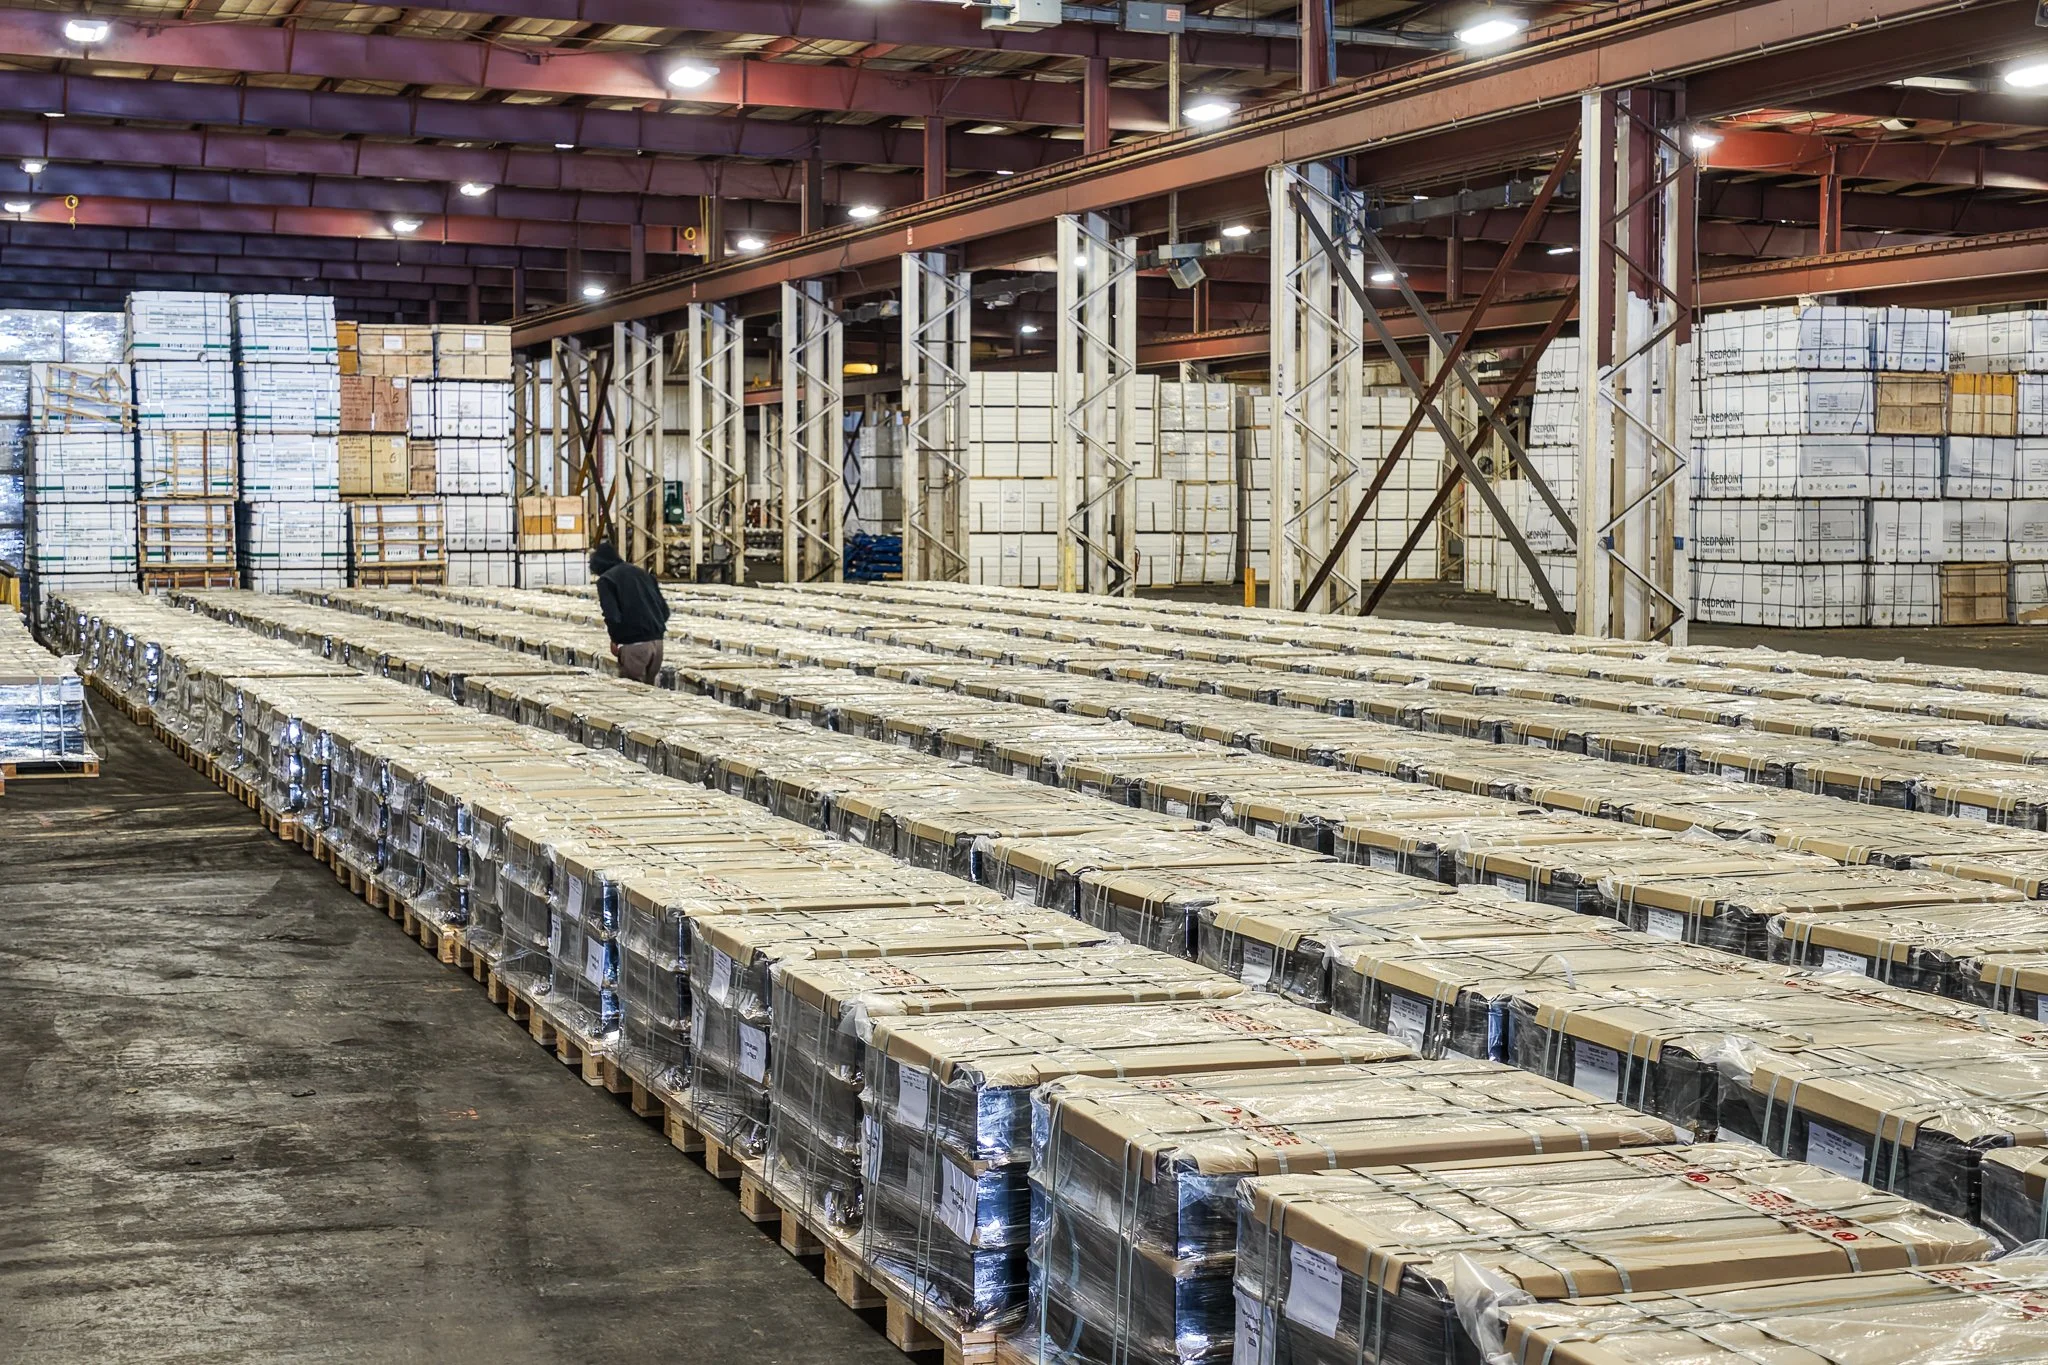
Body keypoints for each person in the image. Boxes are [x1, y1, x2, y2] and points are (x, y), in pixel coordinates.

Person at [589, 541, 670, 684]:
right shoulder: (642, 574)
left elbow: (612, 615)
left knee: (633, 693)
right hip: (657, 644)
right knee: (650, 693)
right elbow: (664, 611)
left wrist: (615, 639)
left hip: (634, 645)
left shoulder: (607, 580)